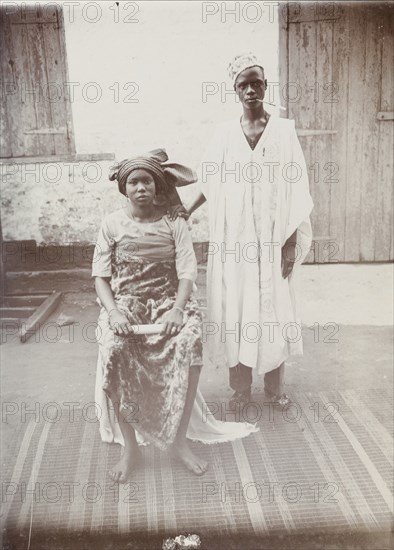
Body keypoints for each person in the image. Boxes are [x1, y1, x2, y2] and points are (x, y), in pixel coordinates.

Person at [92, 149, 258, 483]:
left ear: (157, 185)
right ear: (124, 188)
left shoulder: (174, 222)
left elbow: (187, 273)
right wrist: (113, 313)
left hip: (170, 298)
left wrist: (177, 309)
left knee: (188, 341)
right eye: (134, 182)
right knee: (114, 347)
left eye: (148, 181)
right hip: (127, 301)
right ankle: (130, 448)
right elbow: (100, 277)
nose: (142, 188)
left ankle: (179, 441)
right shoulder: (111, 224)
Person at [170, 53, 314, 408]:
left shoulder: (283, 131)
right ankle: (240, 390)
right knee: (236, 307)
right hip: (234, 240)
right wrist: (186, 209)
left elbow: (296, 188)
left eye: (256, 83)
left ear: (265, 87)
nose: (251, 90)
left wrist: (290, 243)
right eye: (243, 84)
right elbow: (210, 180)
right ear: (235, 90)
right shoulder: (224, 135)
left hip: (273, 238)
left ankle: (275, 388)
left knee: (273, 309)